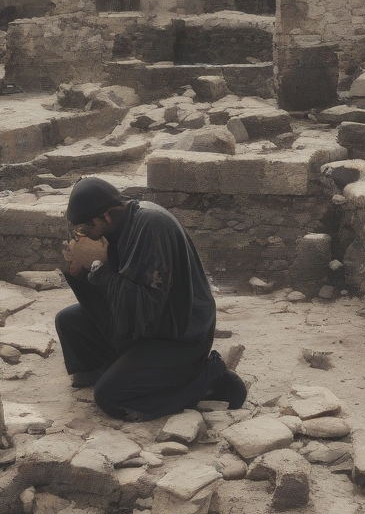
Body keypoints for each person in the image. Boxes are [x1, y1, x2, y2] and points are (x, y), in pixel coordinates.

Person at [54, 176, 247, 421]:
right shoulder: (119, 228)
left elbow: (145, 307)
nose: (86, 236)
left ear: (106, 216)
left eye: (86, 228)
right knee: (69, 320)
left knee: (109, 397)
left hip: (178, 337)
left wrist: (100, 271)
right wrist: (81, 273)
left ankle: (206, 381)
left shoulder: (151, 225)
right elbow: (118, 294)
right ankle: (112, 370)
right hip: (150, 326)